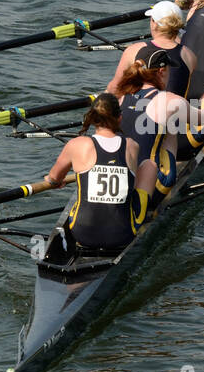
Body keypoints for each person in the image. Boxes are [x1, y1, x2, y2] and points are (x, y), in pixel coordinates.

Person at [45, 93, 155, 253]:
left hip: (82, 234)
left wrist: (52, 180)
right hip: (122, 236)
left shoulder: (76, 144)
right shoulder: (132, 146)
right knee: (150, 165)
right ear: (119, 118)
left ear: (92, 118)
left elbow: (54, 178)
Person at [113, 46, 196, 198]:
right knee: (170, 124)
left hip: (119, 181)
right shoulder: (170, 99)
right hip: (153, 184)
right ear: (162, 71)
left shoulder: (120, 96)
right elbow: (201, 119)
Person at [106, 1, 191, 97]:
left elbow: (114, 88)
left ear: (154, 24)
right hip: (175, 108)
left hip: (139, 110)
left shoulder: (133, 50)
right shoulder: (189, 55)